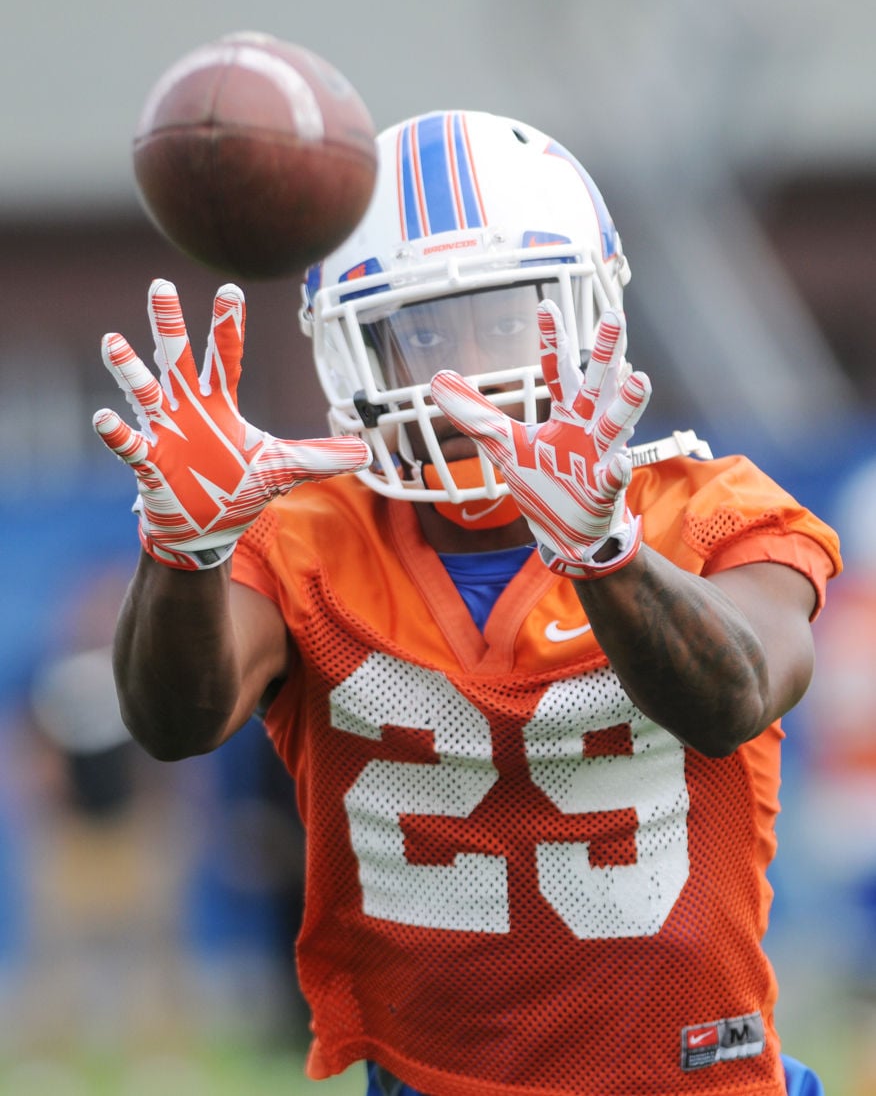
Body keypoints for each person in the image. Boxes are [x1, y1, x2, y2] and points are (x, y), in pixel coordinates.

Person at [93, 110, 840, 1096]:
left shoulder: (707, 509)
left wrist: (604, 554)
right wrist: (183, 553)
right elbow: (172, 720)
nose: (466, 369)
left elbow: (736, 692)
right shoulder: (307, 537)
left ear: (588, 317)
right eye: (423, 331)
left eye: (507, 316)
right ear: (352, 356)